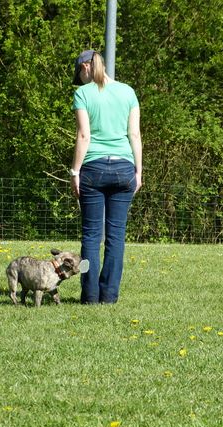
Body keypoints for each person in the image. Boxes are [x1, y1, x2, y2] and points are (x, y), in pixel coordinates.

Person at [70, 49, 142, 304]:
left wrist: (75, 172)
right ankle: (109, 296)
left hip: (93, 169)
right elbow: (135, 135)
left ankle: (90, 296)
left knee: (91, 237)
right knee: (116, 237)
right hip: (124, 169)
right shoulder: (128, 92)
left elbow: (84, 136)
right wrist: (138, 171)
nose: (81, 80)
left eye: (80, 74)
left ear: (85, 67)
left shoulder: (83, 94)